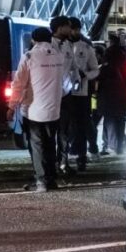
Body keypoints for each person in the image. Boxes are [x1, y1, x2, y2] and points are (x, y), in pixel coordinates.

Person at [7, 27, 66, 193]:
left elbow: (18, 83)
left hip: (33, 110)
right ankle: (51, 179)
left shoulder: (29, 56)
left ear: (33, 40)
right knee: (50, 145)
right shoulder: (58, 55)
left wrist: (12, 106)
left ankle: (40, 181)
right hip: (54, 109)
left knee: (36, 146)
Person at [66, 18, 99, 172]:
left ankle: (82, 156)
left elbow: (95, 70)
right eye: (72, 29)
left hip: (81, 93)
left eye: (76, 29)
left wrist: (85, 75)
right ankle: (65, 156)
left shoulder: (86, 47)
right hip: (64, 92)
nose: (74, 32)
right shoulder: (61, 45)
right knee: (66, 125)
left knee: (82, 125)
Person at [49, 16, 79, 176]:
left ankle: (63, 162)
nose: (71, 30)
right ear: (60, 28)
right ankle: (50, 163)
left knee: (64, 131)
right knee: (50, 131)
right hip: (50, 95)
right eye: (68, 27)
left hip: (66, 95)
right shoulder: (47, 45)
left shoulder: (68, 45)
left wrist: (76, 81)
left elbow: (73, 66)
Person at [99, 33, 126, 155]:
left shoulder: (109, 53)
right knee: (120, 119)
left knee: (110, 119)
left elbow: (105, 71)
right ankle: (120, 146)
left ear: (111, 42)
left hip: (109, 92)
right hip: (122, 92)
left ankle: (112, 146)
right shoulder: (125, 53)